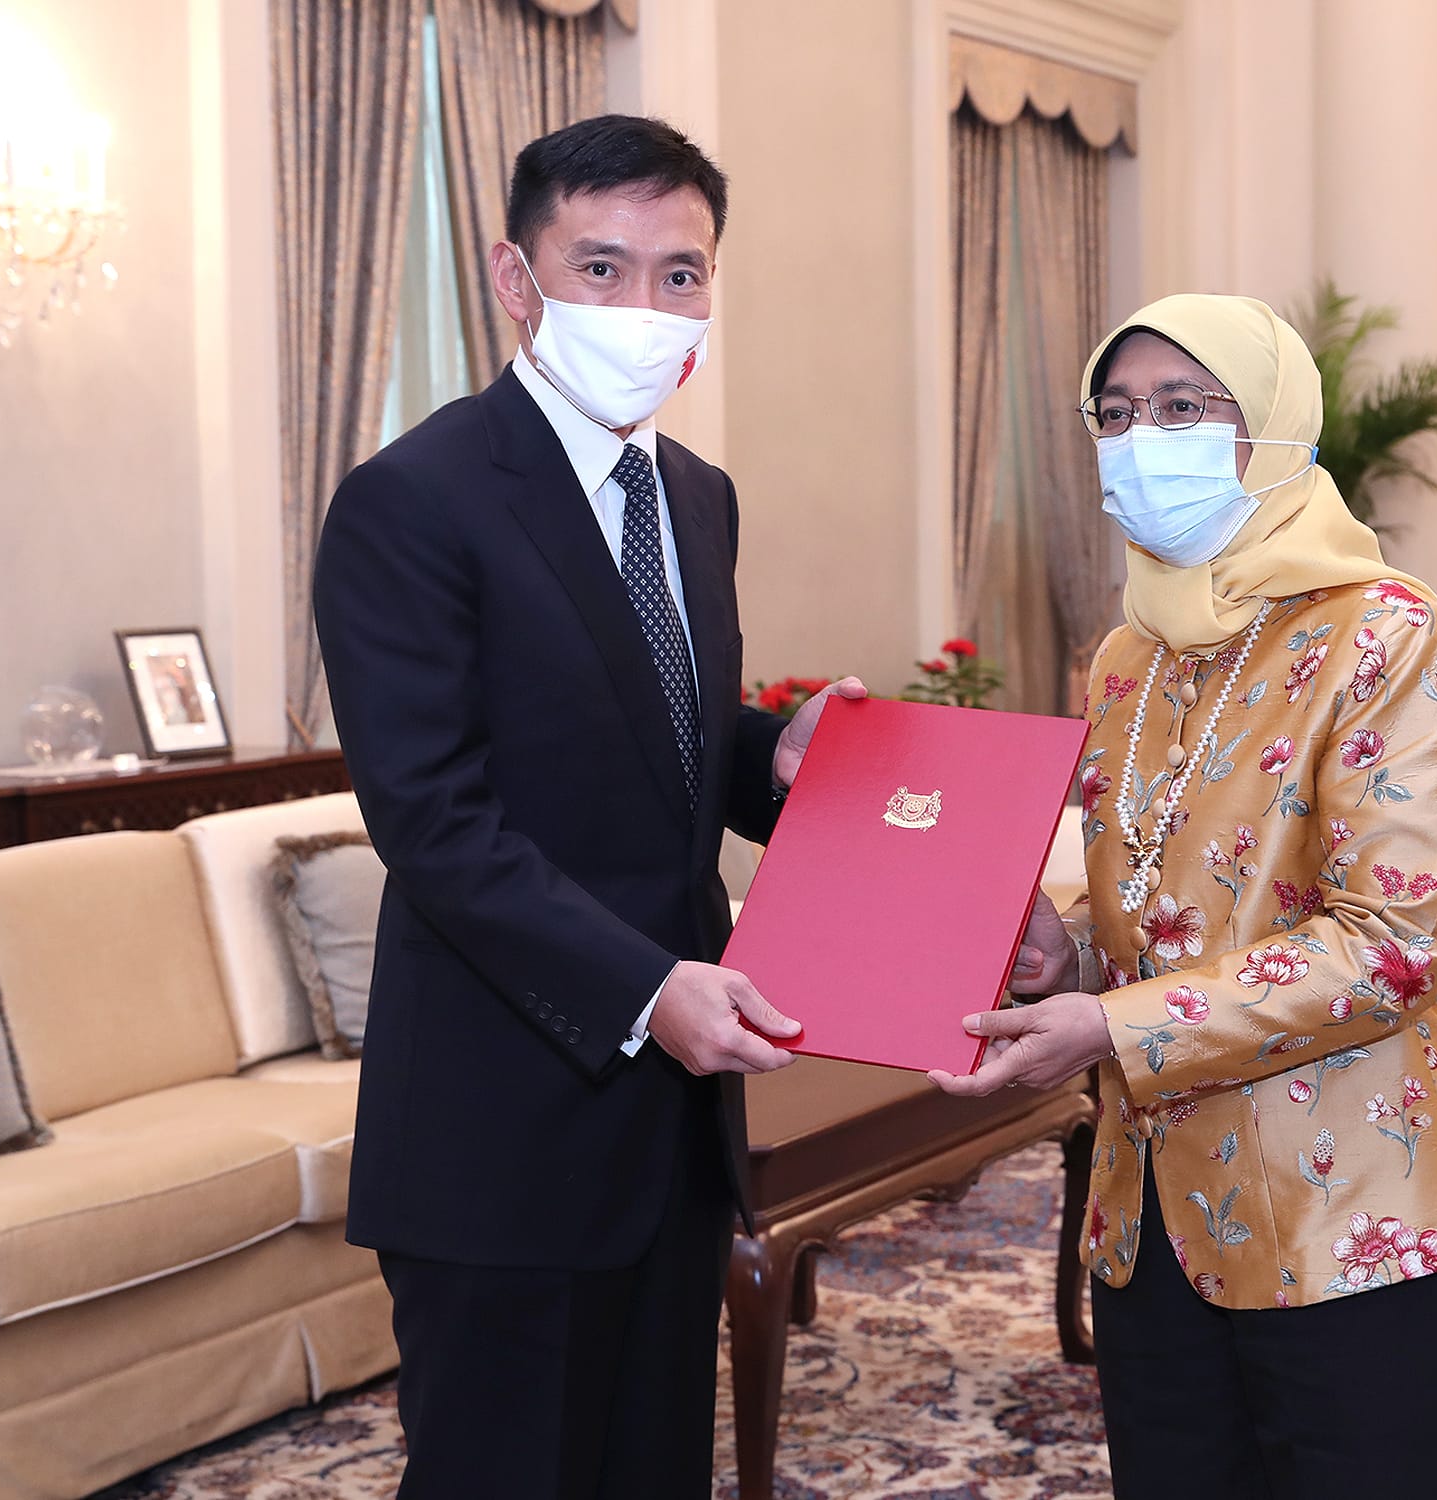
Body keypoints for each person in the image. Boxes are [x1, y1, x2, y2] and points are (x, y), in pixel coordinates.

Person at [314, 114, 863, 1499]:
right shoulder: (411, 500)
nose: (644, 306)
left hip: (672, 1128)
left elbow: (653, 734)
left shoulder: (698, 495)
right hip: (504, 1122)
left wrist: (771, 760)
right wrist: (644, 990)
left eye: (681, 274)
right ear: (518, 278)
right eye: (602, 267)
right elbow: (437, 822)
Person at [932, 294, 1437, 1496]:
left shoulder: (1390, 636)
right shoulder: (1128, 655)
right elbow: (1158, 898)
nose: (1144, 438)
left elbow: (1396, 948)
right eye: (1116, 412)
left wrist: (1112, 1025)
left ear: (1278, 427)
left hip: (1351, 1218)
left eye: (1186, 407)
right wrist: (1068, 960)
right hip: (1150, 1223)